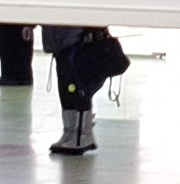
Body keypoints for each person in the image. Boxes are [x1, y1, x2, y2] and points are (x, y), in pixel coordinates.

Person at [40, 24, 124, 156]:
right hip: (62, 42)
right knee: (66, 90)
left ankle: (82, 136)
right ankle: (70, 133)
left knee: (78, 88)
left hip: (77, 42)